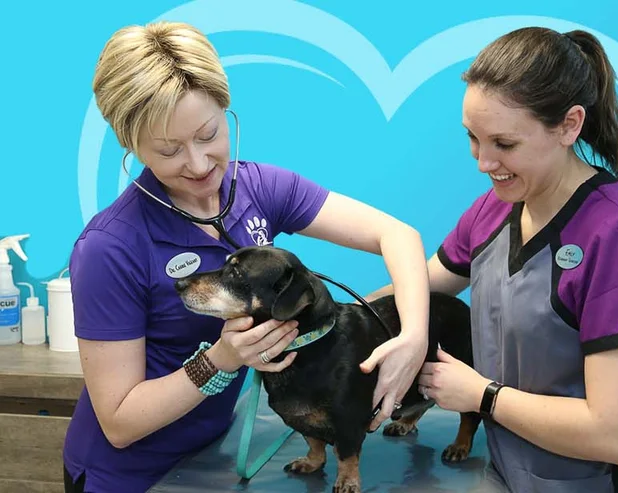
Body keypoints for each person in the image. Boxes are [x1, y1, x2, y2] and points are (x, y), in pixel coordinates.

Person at [62, 21, 432, 492]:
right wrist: (221, 360)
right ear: (130, 145)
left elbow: (397, 235)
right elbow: (118, 422)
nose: (199, 165)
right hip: (128, 476)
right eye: (169, 150)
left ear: (225, 110)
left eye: (208, 134)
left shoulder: (258, 188)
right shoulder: (109, 248)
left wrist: (414, 337)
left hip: (211, 450)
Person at [370, 27, 618, 492]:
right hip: (508, 477)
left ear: (569, 125)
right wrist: (324, 321)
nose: (483, 162)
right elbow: (420, 286)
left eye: (504, 144)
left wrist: (482, 397)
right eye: (473, 138)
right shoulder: (492, 210)